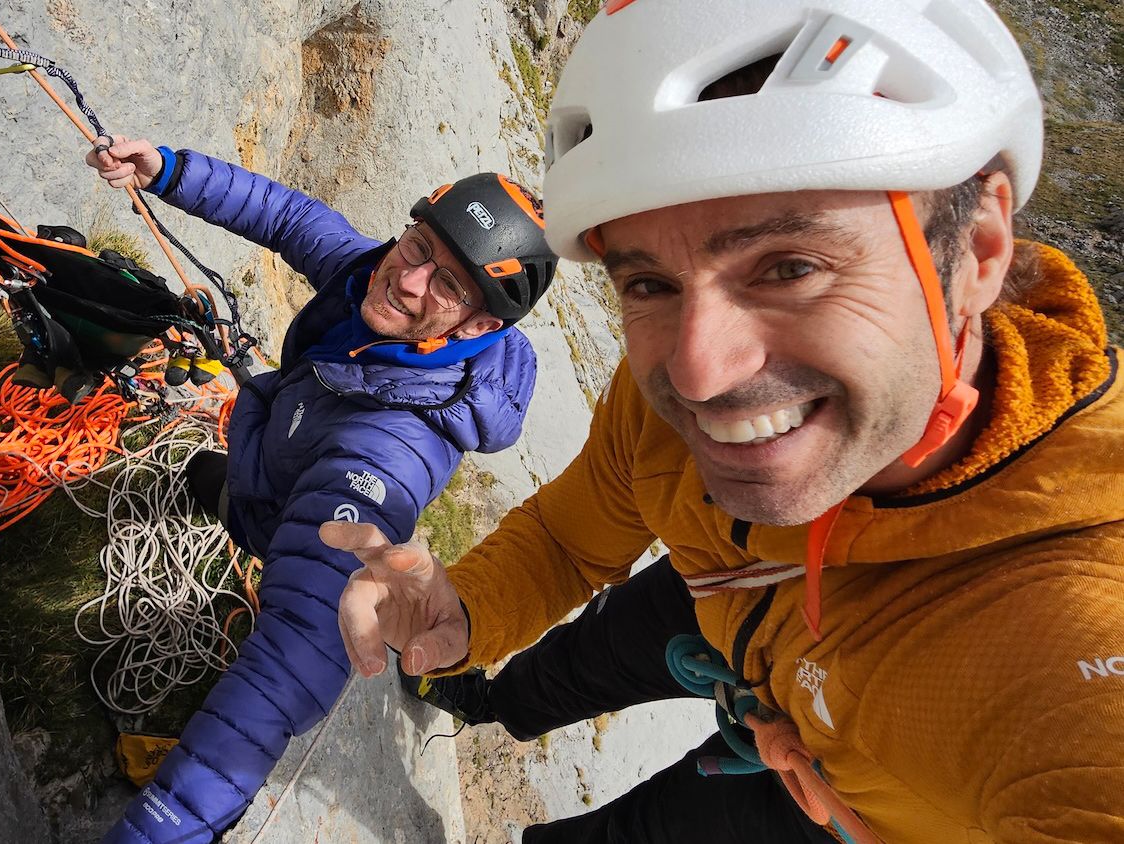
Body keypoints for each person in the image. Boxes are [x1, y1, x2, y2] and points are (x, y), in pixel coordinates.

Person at [327, 1, 1124, 841]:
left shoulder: (1066, 622)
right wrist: (469, 610)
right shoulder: (669, 410)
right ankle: (474, 692)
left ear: (980, 253)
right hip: (725, 594)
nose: (699, 372)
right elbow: (571, 539)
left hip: (819, 799)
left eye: (789, 266)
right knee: (571, 667)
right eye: (649, 283)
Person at [84, 137, 557, 842]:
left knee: (280, 608)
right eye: (419, 246)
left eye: (450, 286)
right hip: (270, 463)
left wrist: (161, 829)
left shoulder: (391, 453)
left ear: (481, 325)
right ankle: (233, 507)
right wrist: (170, 171)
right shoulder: (370, 274)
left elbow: (299, 654)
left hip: (292, 507)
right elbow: (288, 217)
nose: (410, 280)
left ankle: (217, 815)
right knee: (201, 477)